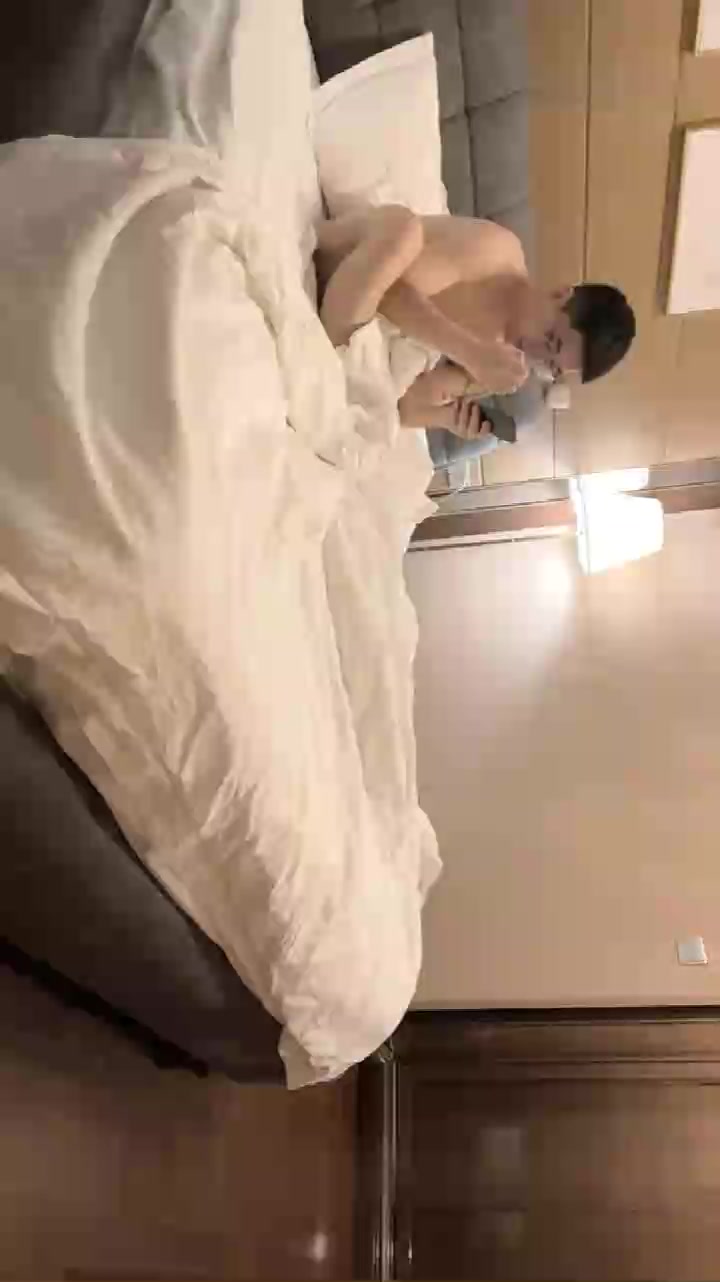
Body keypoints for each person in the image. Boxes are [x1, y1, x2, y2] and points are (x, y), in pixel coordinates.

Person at [315, 204, 636, 442]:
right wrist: (470, 352)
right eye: (551, 339)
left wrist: (446, 417)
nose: (534, 352)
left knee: (373, 410)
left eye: (550, 366)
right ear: (559, 294)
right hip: (340, 261)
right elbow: (387, 289)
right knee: (403, 232)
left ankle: (329, 373)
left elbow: (405, 406)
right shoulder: (494, 254)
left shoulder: (499, 366)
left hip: (350, 324)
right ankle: (330, 371)